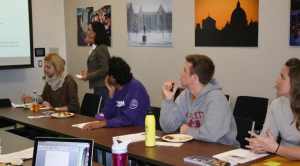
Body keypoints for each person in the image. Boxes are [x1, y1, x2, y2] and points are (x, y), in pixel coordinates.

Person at [160, 54, 239, 147]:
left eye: (185, 70)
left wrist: (187, 131)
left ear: (194, 77)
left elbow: (212, 135)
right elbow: (168, 128)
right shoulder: (185, 95)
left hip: (223, 152)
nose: (181, 74)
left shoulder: (216, 98)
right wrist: (168, 100)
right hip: (197, 148)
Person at [246, 58, 300, 160]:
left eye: (282, 77)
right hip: (284, 160)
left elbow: (274, 148)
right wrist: (259, 144)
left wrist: (276, 148)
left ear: (295, 83)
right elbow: (266, 140)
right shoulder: (277, 105)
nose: (277, 80)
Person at [82, 56, 150, 130]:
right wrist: (111, 95)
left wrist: (103, 123)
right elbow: (107, 115)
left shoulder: (135, 87)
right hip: (119, 130)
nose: (106, 77)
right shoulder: (115, 87)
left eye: (107, 74)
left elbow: (128, 119)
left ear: (113, 77)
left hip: (135, 132)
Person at [81, 21, 110, 111]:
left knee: (100, 113)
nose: (87, 31)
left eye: (89, 30)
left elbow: (104, 69)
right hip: (98, 86)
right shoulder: (96, 47)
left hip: (102, 87)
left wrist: (88, 76)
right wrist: (87, 72)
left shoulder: (101, 48)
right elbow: (97, 66)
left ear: (95, 33)